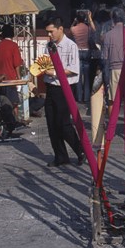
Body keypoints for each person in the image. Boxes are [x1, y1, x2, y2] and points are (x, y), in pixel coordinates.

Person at [43, 16, 85, 167]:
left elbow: (73, 70)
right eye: (47, 32)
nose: (49, 35)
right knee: (51, 124)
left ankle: (80, 150)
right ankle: (60, 155)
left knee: (64, 123)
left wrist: (54, 72)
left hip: (65, 88)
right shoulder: (49, 45)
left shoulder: (71, 45)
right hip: (51, 87)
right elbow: (44, 63)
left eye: (51, 32)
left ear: (60, 29)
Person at [0, 24, 24, 118]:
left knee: (2, 102)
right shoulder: (13, 45)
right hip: (10, 78)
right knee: (13, 102)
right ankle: (15, 120)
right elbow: (17, 63)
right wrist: (18, 77)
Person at [102, 8, 125, 114]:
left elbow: (105, 56)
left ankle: (112, 126)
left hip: (114, 70)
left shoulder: (108, 35)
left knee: (112, 100)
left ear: (113, 19)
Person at [70, 9, 96, 104]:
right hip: (87, 51)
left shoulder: (74, 29)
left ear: (77, 18)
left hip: (77, 51)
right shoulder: (88, 28)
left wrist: (74, 21)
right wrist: (90, 18)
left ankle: (79, 97)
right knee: (87, 76)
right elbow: (94, 30)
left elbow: (70, 29)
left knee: (79, 76)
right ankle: (86, 97)